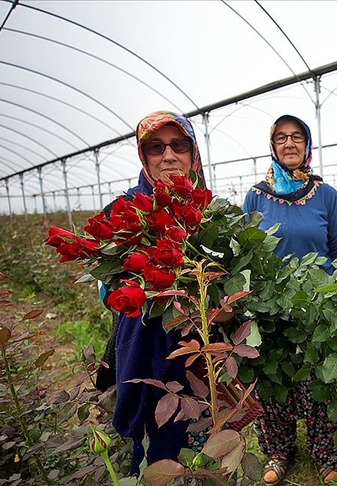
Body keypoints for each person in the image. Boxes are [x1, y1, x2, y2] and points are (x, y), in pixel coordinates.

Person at [242, 114, 337, 485]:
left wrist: (334, 293)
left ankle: (326, 452)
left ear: (307, 146)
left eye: (297, 137)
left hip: (317, 304)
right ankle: (277, 450)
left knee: (320, 379)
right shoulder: (256, 196)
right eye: (282, 138)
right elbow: (247, 252)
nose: (289, 144)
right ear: (272, 145)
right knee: (272, 378)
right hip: (270, 306)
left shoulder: (326, 195)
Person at [102, 111, 210, 474]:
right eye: (155, 147)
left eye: (179, 145)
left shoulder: (208, 211)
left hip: (203, 349)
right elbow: (109, 291)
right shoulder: (123, 210)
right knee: (156, 455)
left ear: (193, 152)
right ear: (142, 155)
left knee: (204, 442)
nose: (168, 156)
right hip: (148, 352)